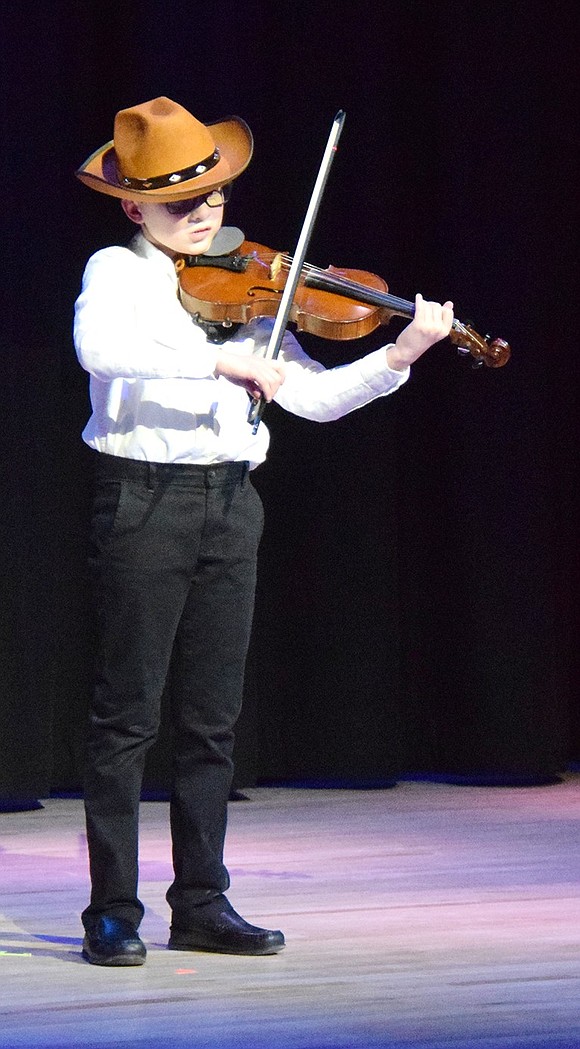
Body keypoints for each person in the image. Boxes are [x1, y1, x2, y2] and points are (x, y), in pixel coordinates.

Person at [74, 96, 454, 967]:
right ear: (135, 208)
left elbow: (313, 398)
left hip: (230, 502)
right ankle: (112, 909)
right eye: (182, 202)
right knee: (127, 717)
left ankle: (202, 901)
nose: (207, 213)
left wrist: (397, 358)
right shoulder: (118, 273)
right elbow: (99, 349)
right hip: (143, 500)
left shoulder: (251, 285)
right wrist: (221, 357)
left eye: (214, 193)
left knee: (213, 720)